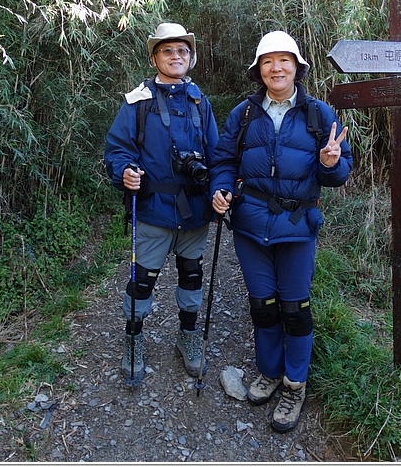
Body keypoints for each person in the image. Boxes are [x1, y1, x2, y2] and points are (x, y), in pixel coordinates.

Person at [209, 30, 352, 432]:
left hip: (297, 225)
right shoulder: (244, 114)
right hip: (251, 224)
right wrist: (220, 190)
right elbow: (223, 161)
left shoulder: (319, 114)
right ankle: (269, 373)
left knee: (295, 308)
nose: (276, 67)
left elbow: (340, 173)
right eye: (268, 61)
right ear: (259, 70)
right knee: (263, 306)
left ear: (297, 68)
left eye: (284, 60)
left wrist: (329, 162)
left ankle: (294, 383)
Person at [104, 23, 219, 387]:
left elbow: (218, 155)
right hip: (153, 208)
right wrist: (124, 172)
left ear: (191, 57)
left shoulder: (201, 102)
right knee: (143, 282)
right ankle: (133, 340)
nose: (176, 57)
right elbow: (117, 149)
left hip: (196, 211)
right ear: (155, 57)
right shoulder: (137, 103)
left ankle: (187, 337)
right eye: (168, 51)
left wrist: (220, 191)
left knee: (192, 276)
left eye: (182, 51)